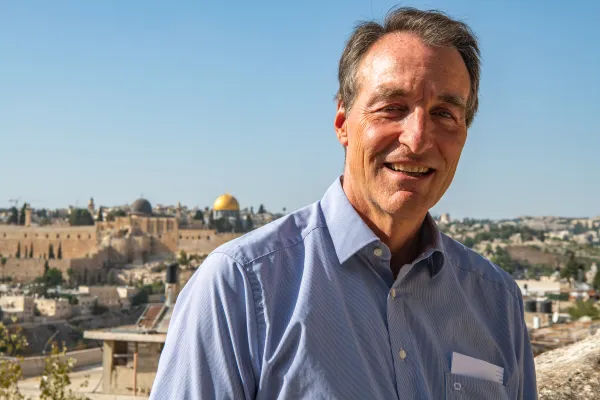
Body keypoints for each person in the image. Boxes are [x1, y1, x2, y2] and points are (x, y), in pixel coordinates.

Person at [151, 7, 537, 400]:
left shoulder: (496, 302)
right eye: (392, 108)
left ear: (465, 135)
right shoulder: (240, 289)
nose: (418, 139)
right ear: (342, 123)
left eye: (444, 113)